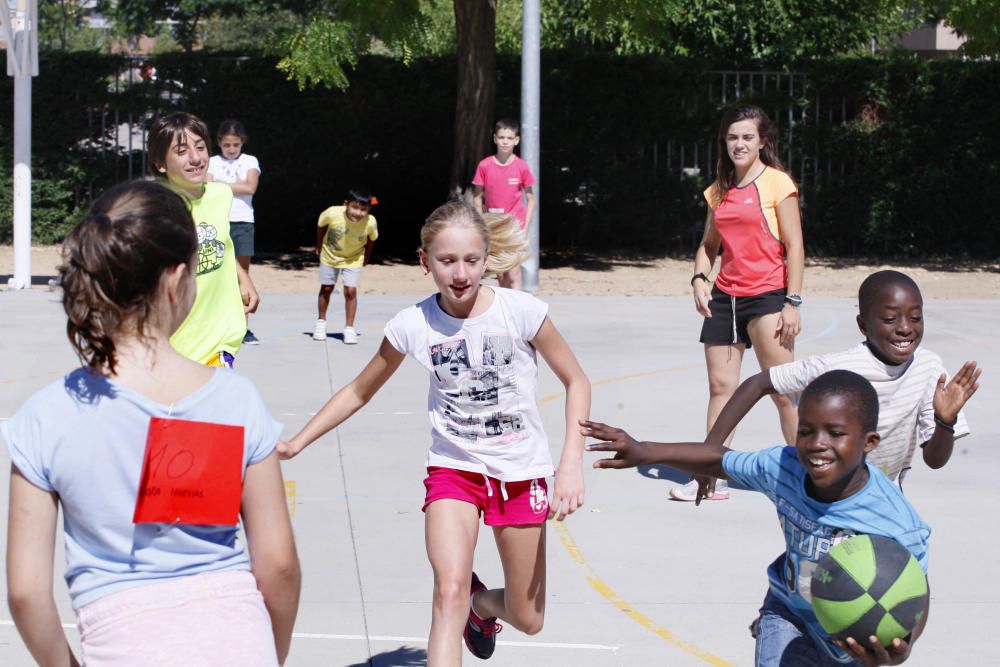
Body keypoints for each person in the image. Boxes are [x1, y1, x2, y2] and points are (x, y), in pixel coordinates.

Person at [2, 181, 300, 666]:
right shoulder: (234, 399)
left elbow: (26, 592)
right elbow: (279, 565)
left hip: (124, 643)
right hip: (238, 640)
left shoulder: (46, 415)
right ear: (175, 280)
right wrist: (268, 650)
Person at [281, 200, 590, 665]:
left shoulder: (521, 312)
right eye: (447, 261)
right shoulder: (413, 324)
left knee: (529, 618)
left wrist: (569, 465)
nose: (460, 273)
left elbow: (577, 381)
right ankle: (463, 599)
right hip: (454, 469)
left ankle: (481, 605)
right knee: (447, 591)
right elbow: (359, 391)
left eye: (470, 260)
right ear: (426, 263)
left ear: (487, 260)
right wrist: (296, 442)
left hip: (521, 471)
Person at [585, 370, 931, 666]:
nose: (817, 444)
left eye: (836, 433)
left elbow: (918, 588)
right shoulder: (784, 467)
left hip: (851, 640)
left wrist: (904, 646)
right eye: (806, 430)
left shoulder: (894, 519)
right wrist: (645, 450)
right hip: (790, 614)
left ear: (869, 442)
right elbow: (719, 459)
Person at [689, 270, 978, 498]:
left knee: (908, 569)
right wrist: (709, 453)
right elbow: (758, 382)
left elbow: (935, 460)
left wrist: (945, 421)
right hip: (826, 502)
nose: (905, 327)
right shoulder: (839, 366)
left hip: (884, 499)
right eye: (890, 319)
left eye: (915, 317)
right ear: (864, 325)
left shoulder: (929, 369)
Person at [672, 105, 805, 502]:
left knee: (783, 391)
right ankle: (711, 476)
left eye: (748, 136)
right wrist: (699, 278)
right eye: (733, 137)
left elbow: (795, 246)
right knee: (720, 388)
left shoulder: (779, 184)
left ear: (763, 141)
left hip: (767, 296)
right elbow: (708, 245)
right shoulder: (719, 189)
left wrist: (792, 302)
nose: (740, 144)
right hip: (725, 298)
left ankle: (805, 474)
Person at [148, 111, 259, 367]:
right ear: (160, 163)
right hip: (174, 345)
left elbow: (224, 244)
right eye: (182, 151)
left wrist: (244, 279)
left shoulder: (221, 194)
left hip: (221, 338)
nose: (196, 157)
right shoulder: (156, 211)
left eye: (200, 147)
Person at [207, 119, 262, 346]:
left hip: (242, 222)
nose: (231, 149)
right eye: (227, 145)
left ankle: (243, 327)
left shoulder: (250, 161)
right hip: (218, 221)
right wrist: (233, 185)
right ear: (219, 143)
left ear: (242, 143)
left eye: (235, 145)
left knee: (242, 276)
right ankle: (216, 325)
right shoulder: (211, 162)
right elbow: (206, 187)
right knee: (216, 273)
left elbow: (250, 187)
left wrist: (221, 184)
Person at [472, 118, 536, 291]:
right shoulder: (484, 166)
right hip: (494, 227)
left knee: (514, 273)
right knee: (501, 274)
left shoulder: (521, 167)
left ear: (516, 140)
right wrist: (482, 223)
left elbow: (530, 199)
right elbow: (477, 197)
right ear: (495, 139)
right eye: (501, 137)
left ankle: (519, 310)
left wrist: (525, 228)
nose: (505, 142)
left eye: (509, 138)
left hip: (514, 227)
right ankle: (505, 310)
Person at [313, 186, 379, 345]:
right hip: (330, 255)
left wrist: (367, 257)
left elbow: (371, 240)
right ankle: (321, 322)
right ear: (346, 204)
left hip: (353, 258)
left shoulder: (370, 222)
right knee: (327, 288)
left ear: (369, 209)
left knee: (350, 290)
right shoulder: (332, 213)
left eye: (363, 209)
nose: (358, 212)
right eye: (355, 207)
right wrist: (319, 245)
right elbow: (321, 225)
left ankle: (349, 328)